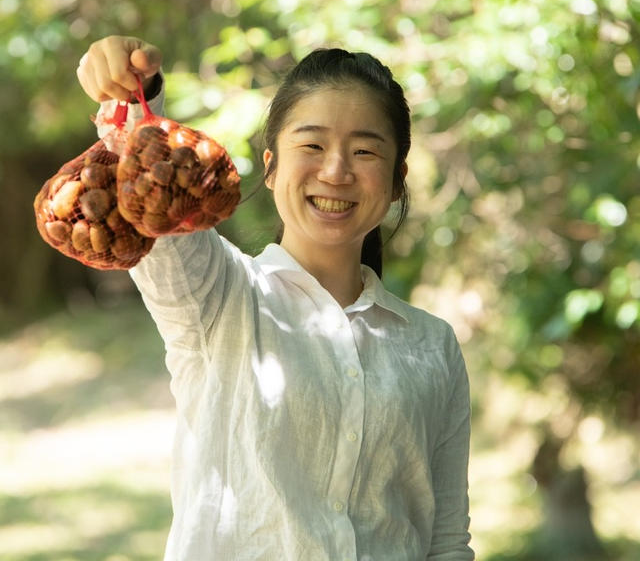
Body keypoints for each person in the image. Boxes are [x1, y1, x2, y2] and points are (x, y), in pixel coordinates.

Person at [77, 35, 474, 561]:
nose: (336, 171)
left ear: (398, 179)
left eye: (364, 150)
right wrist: (133, 91)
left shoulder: (432, 346)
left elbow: (445, 543)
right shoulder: (217, 298)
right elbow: (156, 194)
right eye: (311, 145)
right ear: (270, 166)